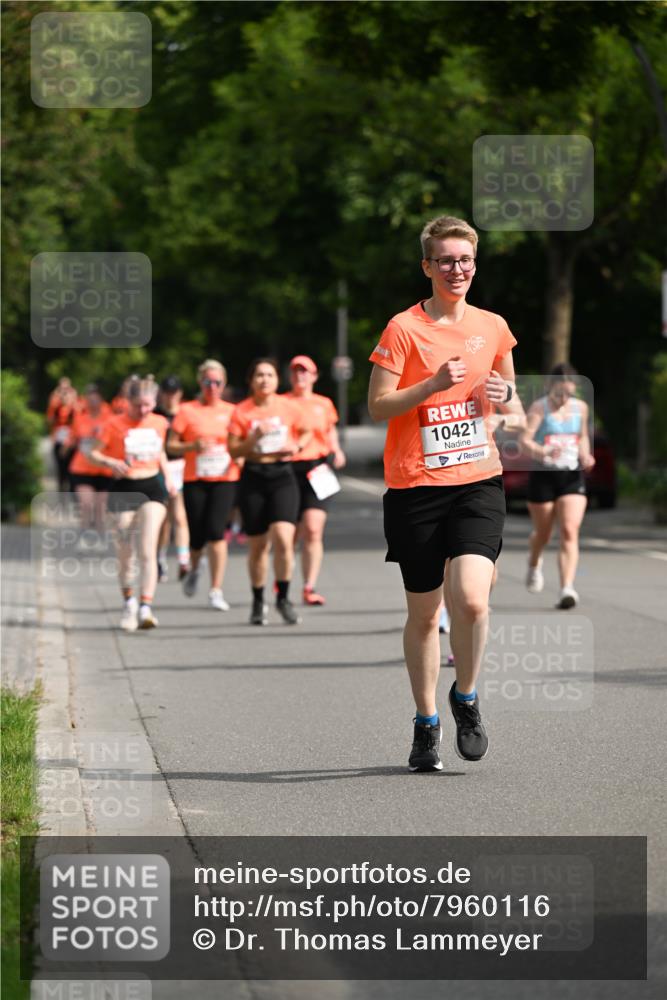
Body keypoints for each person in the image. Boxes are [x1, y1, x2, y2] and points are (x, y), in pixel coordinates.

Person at [367, 214, 518, 772]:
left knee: (473, 598)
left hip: (477, 478)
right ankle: (427, 721)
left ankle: (468, 696)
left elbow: (512, 408)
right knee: (426, 615)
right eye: (447, 260)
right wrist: (432, 384)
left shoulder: (494, 326)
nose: (458, 269)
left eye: (466, 260)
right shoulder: (403, 328)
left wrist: (504, 402)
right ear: (428, 266)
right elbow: (378, 406)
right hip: (416, 486)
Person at [228, 358, 311, 626]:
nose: (265, 380)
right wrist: (254, 438)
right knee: (258, 546)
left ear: (277, 380)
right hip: (253, 476)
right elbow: (233, 450)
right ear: (251, 381)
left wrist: (297, 446)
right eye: (259, 375)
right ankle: (257, 600)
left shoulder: (288, 407)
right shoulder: (241, 411)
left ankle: (284, 598)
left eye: (270, 375)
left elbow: (307, 431)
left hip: (282, 476)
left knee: (284, 539)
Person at [89, 375, 176, 631]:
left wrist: (169, 478)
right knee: (126, 552)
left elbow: (160, 451)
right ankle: (129, 603)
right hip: (124, 489)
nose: (144, 410)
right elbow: (92, 452)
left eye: (148, 405)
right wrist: (110, 463)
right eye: (139, 405)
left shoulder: (159, 422)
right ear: (128, 401)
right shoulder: (113, 424)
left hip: (151, 486)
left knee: (148, 548)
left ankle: (146, 607)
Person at [520, 363, 594, 609]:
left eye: (569, 394)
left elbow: (581, 436)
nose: (563, 399)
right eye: (559, 394)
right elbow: (524, 441)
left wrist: (586, 455)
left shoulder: (580, 409)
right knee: (543, 533)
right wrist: (543, 451)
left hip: (571, 475)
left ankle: (566, 588)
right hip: (543, 476)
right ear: (550, 388)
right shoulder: (539, 409)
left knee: (570, 530)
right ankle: (534, 561)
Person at [168, 360, 241, 611]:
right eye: (208, 382)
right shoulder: (187, 410)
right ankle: (196, 567)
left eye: (217, 382)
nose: (212, 387)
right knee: (197, 536)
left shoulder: (233, 411)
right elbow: (171, 445)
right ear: (200, 383)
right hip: (195, 478)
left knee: (216, 531)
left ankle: (216, 590)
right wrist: (191, 447)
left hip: (225, 478)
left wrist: (241, 457)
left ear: (224, 384)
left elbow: (240, 443)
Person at [284, 355, 346, 605]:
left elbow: (329, 430)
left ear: (314, 376)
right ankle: (283, 584)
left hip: (317, 468)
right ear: (290, 376)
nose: (301, 375)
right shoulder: (282, 403)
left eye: (305, 371)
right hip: (288, 469)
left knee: (312, 529)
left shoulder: (324, 403)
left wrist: (337, 450)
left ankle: (309, 586)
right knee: (289, 535)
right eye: (296, 371)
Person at [154, 375, 190, 582]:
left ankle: (183, 559)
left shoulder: (185, 414)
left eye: (174, 392)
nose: (170, 397)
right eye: (167, 392)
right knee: (164, 519)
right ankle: (160, 557)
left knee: (179, 514)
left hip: (181, 466)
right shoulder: (156, 415)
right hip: (161, 466)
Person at [68, 384, 112, 546]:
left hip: (103, 469)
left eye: (95, 399)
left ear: (101, 399)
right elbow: (73, 438)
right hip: (82, 468)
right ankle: (84, 537)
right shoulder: (80, 417)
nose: (92, 402)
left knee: (101, 510)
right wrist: (65, 447)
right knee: (87, 505)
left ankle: (100, 539)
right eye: (89, 399)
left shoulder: (110, 418)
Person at [46, 378, 79, 491]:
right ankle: (61, 491)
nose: (65, 395)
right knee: (60, 468)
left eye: (67, 391)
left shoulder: (76, 409)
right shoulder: (56, 408)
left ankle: (72, 492)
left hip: (71, 442)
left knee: (72, 468)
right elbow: (49, 421)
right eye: (62, 392)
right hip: (59, 441)